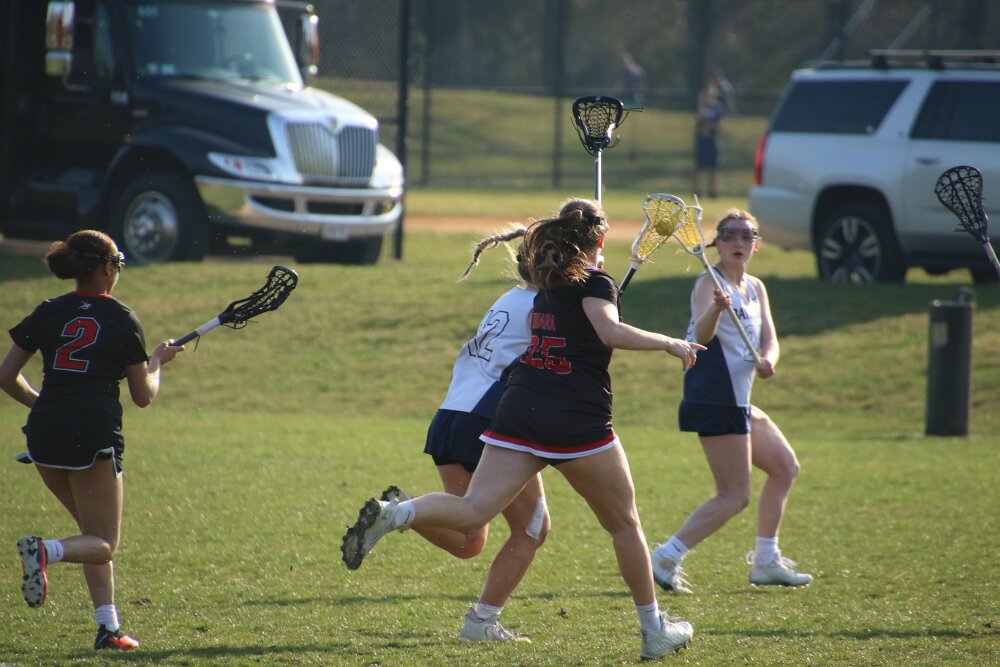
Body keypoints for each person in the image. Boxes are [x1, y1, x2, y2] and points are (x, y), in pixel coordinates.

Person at [341, 198, 704, 661]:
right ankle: (654, 631)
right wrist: (670, 342)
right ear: (599, 239)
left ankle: (396, 515)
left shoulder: (547, 285)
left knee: (473, 510)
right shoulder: (596, 282)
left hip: (520, 410)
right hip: (577, 419)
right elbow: (609, 333)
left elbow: (573, 331)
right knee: (624, 524)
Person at [0, 230, 184, 651]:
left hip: (44, 433)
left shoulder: (48, 311)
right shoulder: (122, 317)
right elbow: (143, 395)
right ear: (106, 268)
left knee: (89, 535)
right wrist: (157, 362)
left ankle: (108, 629)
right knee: (103, 544)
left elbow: (5, 376)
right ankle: (44, 551)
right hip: (92, 435)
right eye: (119, 264)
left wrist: (43, 405)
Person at [370, 225, 550, 642]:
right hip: (491, 421)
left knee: (469, 540)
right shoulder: (546, 307)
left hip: (451, 417)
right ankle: (481, 623)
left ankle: (398, 510)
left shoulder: (509, 297)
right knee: (532, 529)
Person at [650, 210, 812, 595]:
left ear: (756, 245)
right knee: (734, 495)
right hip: (715, 395)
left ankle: (766, 561)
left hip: (740, 399)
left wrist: (769, 359)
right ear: (717, 243)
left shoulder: (756, 287)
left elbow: (769, 338)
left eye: (746, 235)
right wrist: (716, 309)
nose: (738, 242)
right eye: (730, 235)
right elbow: (700, 337)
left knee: (784, 466)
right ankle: (666, 556)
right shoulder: (709, 282)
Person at [692, 81, 724, 199]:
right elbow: (698, 119)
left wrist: (709, 126)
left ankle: (713, 191)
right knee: (699, 167)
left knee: (714, 167)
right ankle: (697, 191)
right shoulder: (701, 107)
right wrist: (701, 104)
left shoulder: (717, 107)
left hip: (713, 140)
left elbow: (719, 124)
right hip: (701, 141)